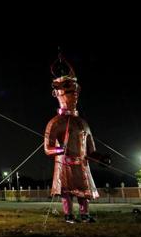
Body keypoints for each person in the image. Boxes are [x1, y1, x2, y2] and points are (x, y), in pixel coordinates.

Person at [44, 54, 110, 223]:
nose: (73, 96)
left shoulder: (83, 123)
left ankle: (85, 214)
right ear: (58, 93)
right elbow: (48, 148)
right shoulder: (55, 123)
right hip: (64, 164)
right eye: (68, 92)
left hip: (81, 164)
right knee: (66, 192)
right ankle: (68, 215)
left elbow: (90, 150)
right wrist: (59, 150)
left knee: (83, 192)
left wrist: (100, 157)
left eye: (75, 92)